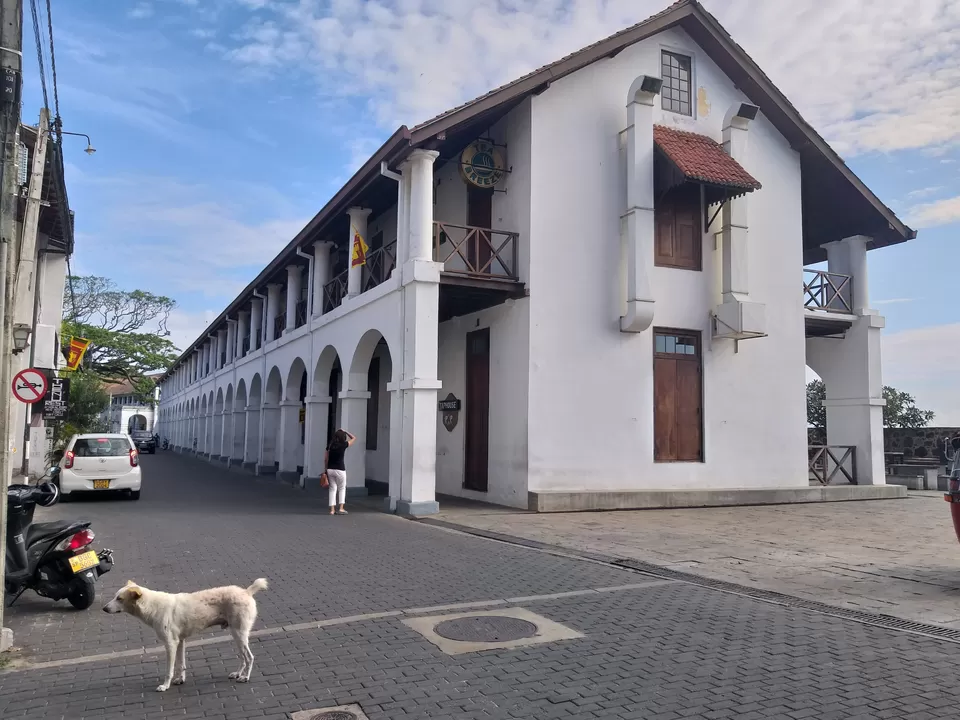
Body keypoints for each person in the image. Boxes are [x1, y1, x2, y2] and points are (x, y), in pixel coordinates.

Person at [324, 429, 356, 515]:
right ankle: (341, 508)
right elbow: (354, 438)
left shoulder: (330, 446)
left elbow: (326, 459)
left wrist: (325, 470)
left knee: (332, 489)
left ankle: (332, 510)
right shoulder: (344, 445)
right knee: (341, 488)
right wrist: (346, 431)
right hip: (340, 469)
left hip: (330, 469)